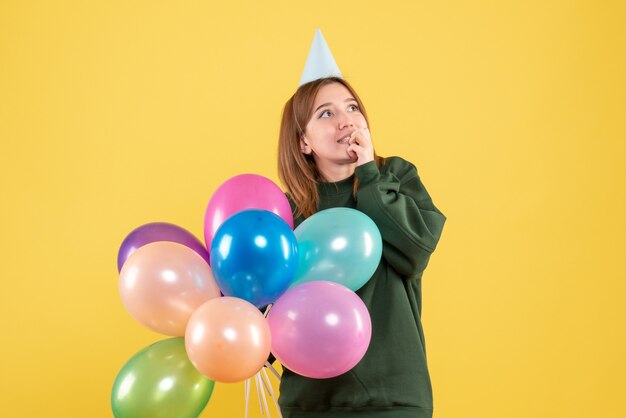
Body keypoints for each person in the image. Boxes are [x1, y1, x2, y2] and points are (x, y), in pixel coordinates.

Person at [276, 76, 447, 418]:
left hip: (393, 398)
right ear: (304, 142)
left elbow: (415, 250)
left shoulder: (394, 176)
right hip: (310, 403)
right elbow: (269, 310)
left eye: (352, 108)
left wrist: (369, 173)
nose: (346, 120)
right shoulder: (286, 211)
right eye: (326, 114)